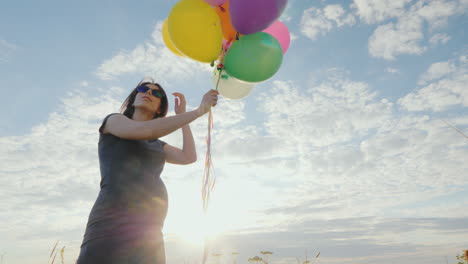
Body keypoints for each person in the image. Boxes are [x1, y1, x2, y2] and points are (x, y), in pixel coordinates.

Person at [76, 77, 219, 264]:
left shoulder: (157, 144)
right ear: (134, 98)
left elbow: (188, 157)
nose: (149, 93)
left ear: (160, 108)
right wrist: (198, 111)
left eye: (156, 93)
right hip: (110, 225)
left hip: (149, 233)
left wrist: (183, 117)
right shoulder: (114, 122)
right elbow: (143, 131)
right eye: (144, 89)